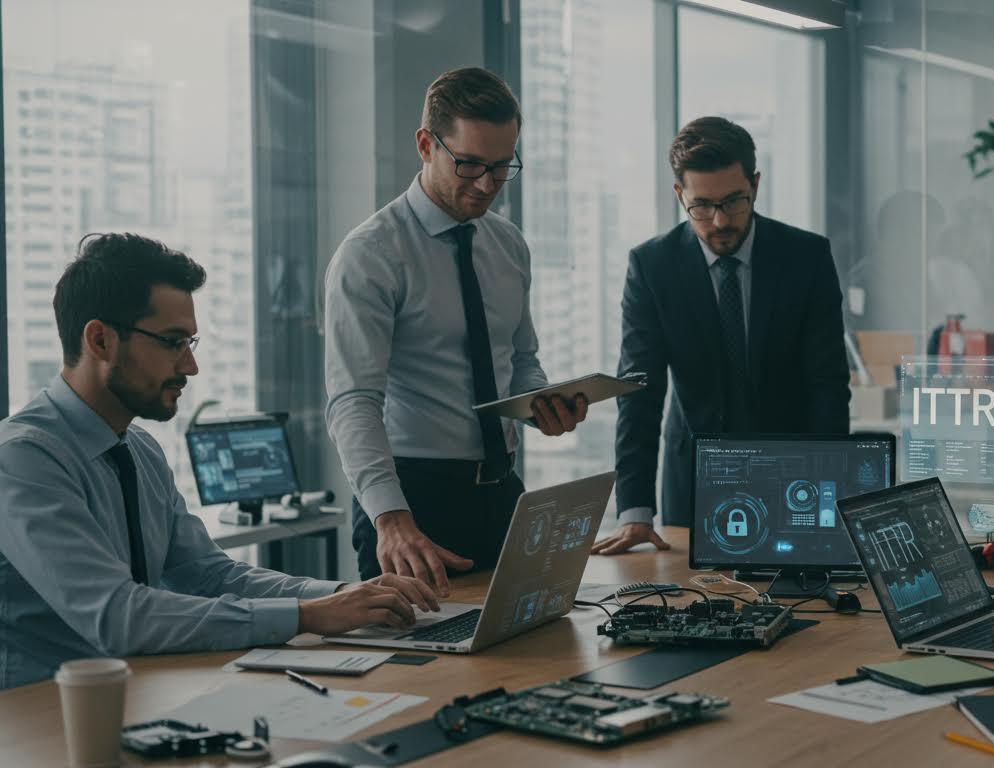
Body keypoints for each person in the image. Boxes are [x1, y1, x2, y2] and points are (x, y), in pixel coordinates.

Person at [0, 234, 437, 690]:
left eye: (191, 342)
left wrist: (341, 595)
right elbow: (116, 616)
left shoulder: (141, 449)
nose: (190, 366)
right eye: (172, 342)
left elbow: (209, 574)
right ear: (100, 339)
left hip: (140, 694)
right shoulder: (23, 457)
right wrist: (305, 616)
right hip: (42, 715)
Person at [325, 67, 588, 591]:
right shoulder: (371, 254)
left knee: (527, 656)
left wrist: (541, 403)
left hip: (503, 493)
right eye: (469, 165)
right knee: (419, 670)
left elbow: (520, 358)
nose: (487, 185)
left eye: (502, 166)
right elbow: (352, 401)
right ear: (426, 144)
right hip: (413, 501)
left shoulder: (508, 244)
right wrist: (389, 517)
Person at [592, 117, 850, 554]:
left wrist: (829, 490)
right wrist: (635, 509)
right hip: (692, 479)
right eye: (702, 206)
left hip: (791, 475)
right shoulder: (653, 266)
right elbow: (639, 391)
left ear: (756, 183)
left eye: (734, 201)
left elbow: (826, 384)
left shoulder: (806, 256)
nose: (720, 220)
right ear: (679, 195)